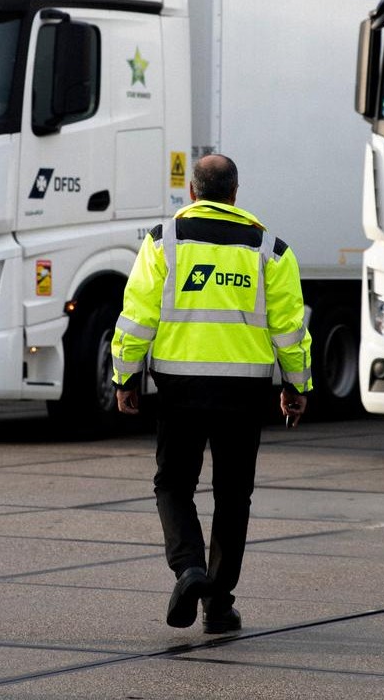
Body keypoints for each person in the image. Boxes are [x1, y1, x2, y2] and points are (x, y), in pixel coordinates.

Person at [110, 154, 314, 634]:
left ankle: (189, 571)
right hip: (244, 390)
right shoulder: (271, 249)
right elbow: (289, 328)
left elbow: (137, 316)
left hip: (179, 387)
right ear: (236, 194)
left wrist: (125, 377)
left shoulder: (163, 242)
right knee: (233, 496)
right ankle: (218, 605)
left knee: (174, 485)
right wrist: (297, 386)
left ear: (193, 193)